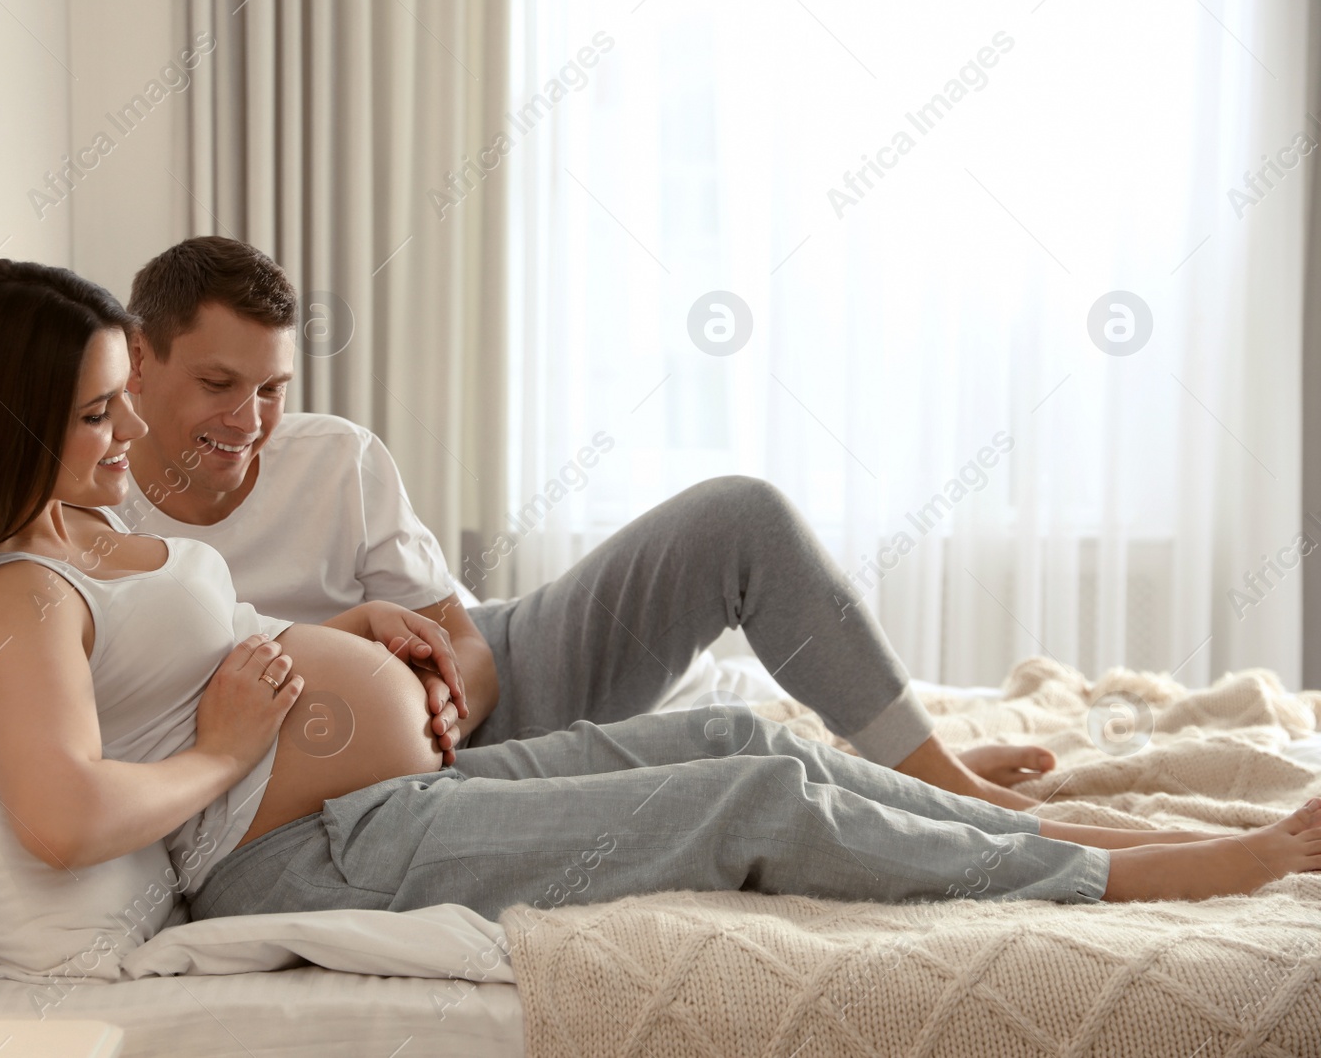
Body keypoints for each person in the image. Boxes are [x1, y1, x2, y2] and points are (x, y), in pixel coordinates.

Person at [0, 259, 1321, 923]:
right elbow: (59, 816)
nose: (126, 438)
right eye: (101, 411)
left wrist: (330, 635)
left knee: (746, 742)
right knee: (745, 806)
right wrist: (225, 746)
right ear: (5, 417)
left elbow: (206, 651)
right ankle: (1132, 874)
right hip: (295, 849)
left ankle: (1016, 820)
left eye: (121, 406)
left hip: (384, 782)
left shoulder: (100, 540)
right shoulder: (14, 596)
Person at [110, 236, 1049, 811]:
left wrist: (438, 717)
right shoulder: (88, 525)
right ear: (137, 361)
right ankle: (862, 771)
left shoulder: (338, 457)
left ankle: (931, 770)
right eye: (218, 385)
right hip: (358, 774)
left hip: (482, 698)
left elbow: (464, 644)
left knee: (739, 516)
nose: (249, 421)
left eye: (272, 389)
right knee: (717, 761)